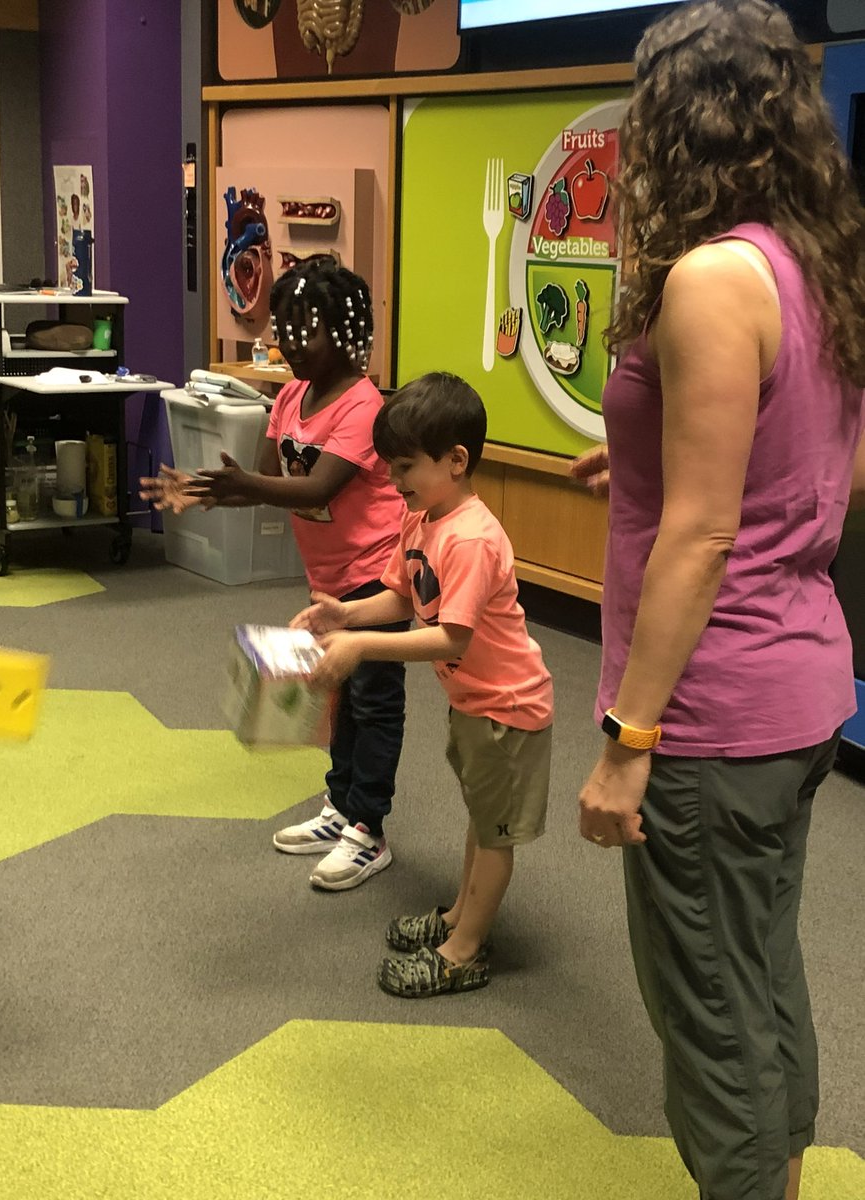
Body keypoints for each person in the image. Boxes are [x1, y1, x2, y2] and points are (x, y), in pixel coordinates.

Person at [572, 3, 865, 1199]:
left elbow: (699, 533)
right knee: (756, 965)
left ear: (679, 121)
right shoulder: (811, 264)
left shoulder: (706, 276)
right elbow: (830, 464)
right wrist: (640, 462)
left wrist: (626, 745)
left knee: (706, 997)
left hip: (709, 712)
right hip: (801, 688)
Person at [140, 257, 406, 891]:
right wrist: (207, 489)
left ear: (345, 332)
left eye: (302, 331)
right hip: (328, 574)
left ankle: (368, 827)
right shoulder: (289, 397)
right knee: (337, 693)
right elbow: (266, 482)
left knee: (374, 699)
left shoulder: (364, 408)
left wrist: (244, 484)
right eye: (281, 330)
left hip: (376, 574)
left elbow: (315, 484)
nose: (287, 345)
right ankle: (340, 805)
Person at [292, 373, 553, 997]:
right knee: (479, 817)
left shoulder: (470, 537)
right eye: (390, 467)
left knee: (494, 835)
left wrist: (359, 648)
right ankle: (458, 917)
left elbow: (450, 638)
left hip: (508, 709)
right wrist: (345, 615)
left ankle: (463, 951)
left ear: (456, 461)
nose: (394, 480)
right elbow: (398, 595)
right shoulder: (422, 520)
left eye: (405, 467)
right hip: (473, 703)